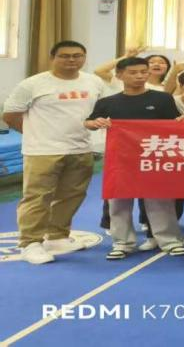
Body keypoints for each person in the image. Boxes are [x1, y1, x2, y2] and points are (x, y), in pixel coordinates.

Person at [3, 41, 107, 265]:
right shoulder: (33, 84)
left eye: (77, 56)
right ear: (53, 58)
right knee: (37, 197)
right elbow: (10, 115)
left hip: (80, 148)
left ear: (84, 58)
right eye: (65, 56)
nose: (71, 60)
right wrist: (35, 134)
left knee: (71, 195)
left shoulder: (94, 82)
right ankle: (30, 243)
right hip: (42, 151)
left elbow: (100, 111)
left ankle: (57, 237)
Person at [85, 57, 184, 260]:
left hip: (153, 158)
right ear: (119, 75)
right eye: (133, 72)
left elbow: (174, 123)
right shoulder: (107, 102)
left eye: (143, 72)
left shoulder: (162, 99)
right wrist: (95, 123)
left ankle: (170, 241)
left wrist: (181, 122)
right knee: (118, 203)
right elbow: (89, 122)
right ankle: (122, 242)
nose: (139, 76)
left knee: (160, 201)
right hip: (120, 159)